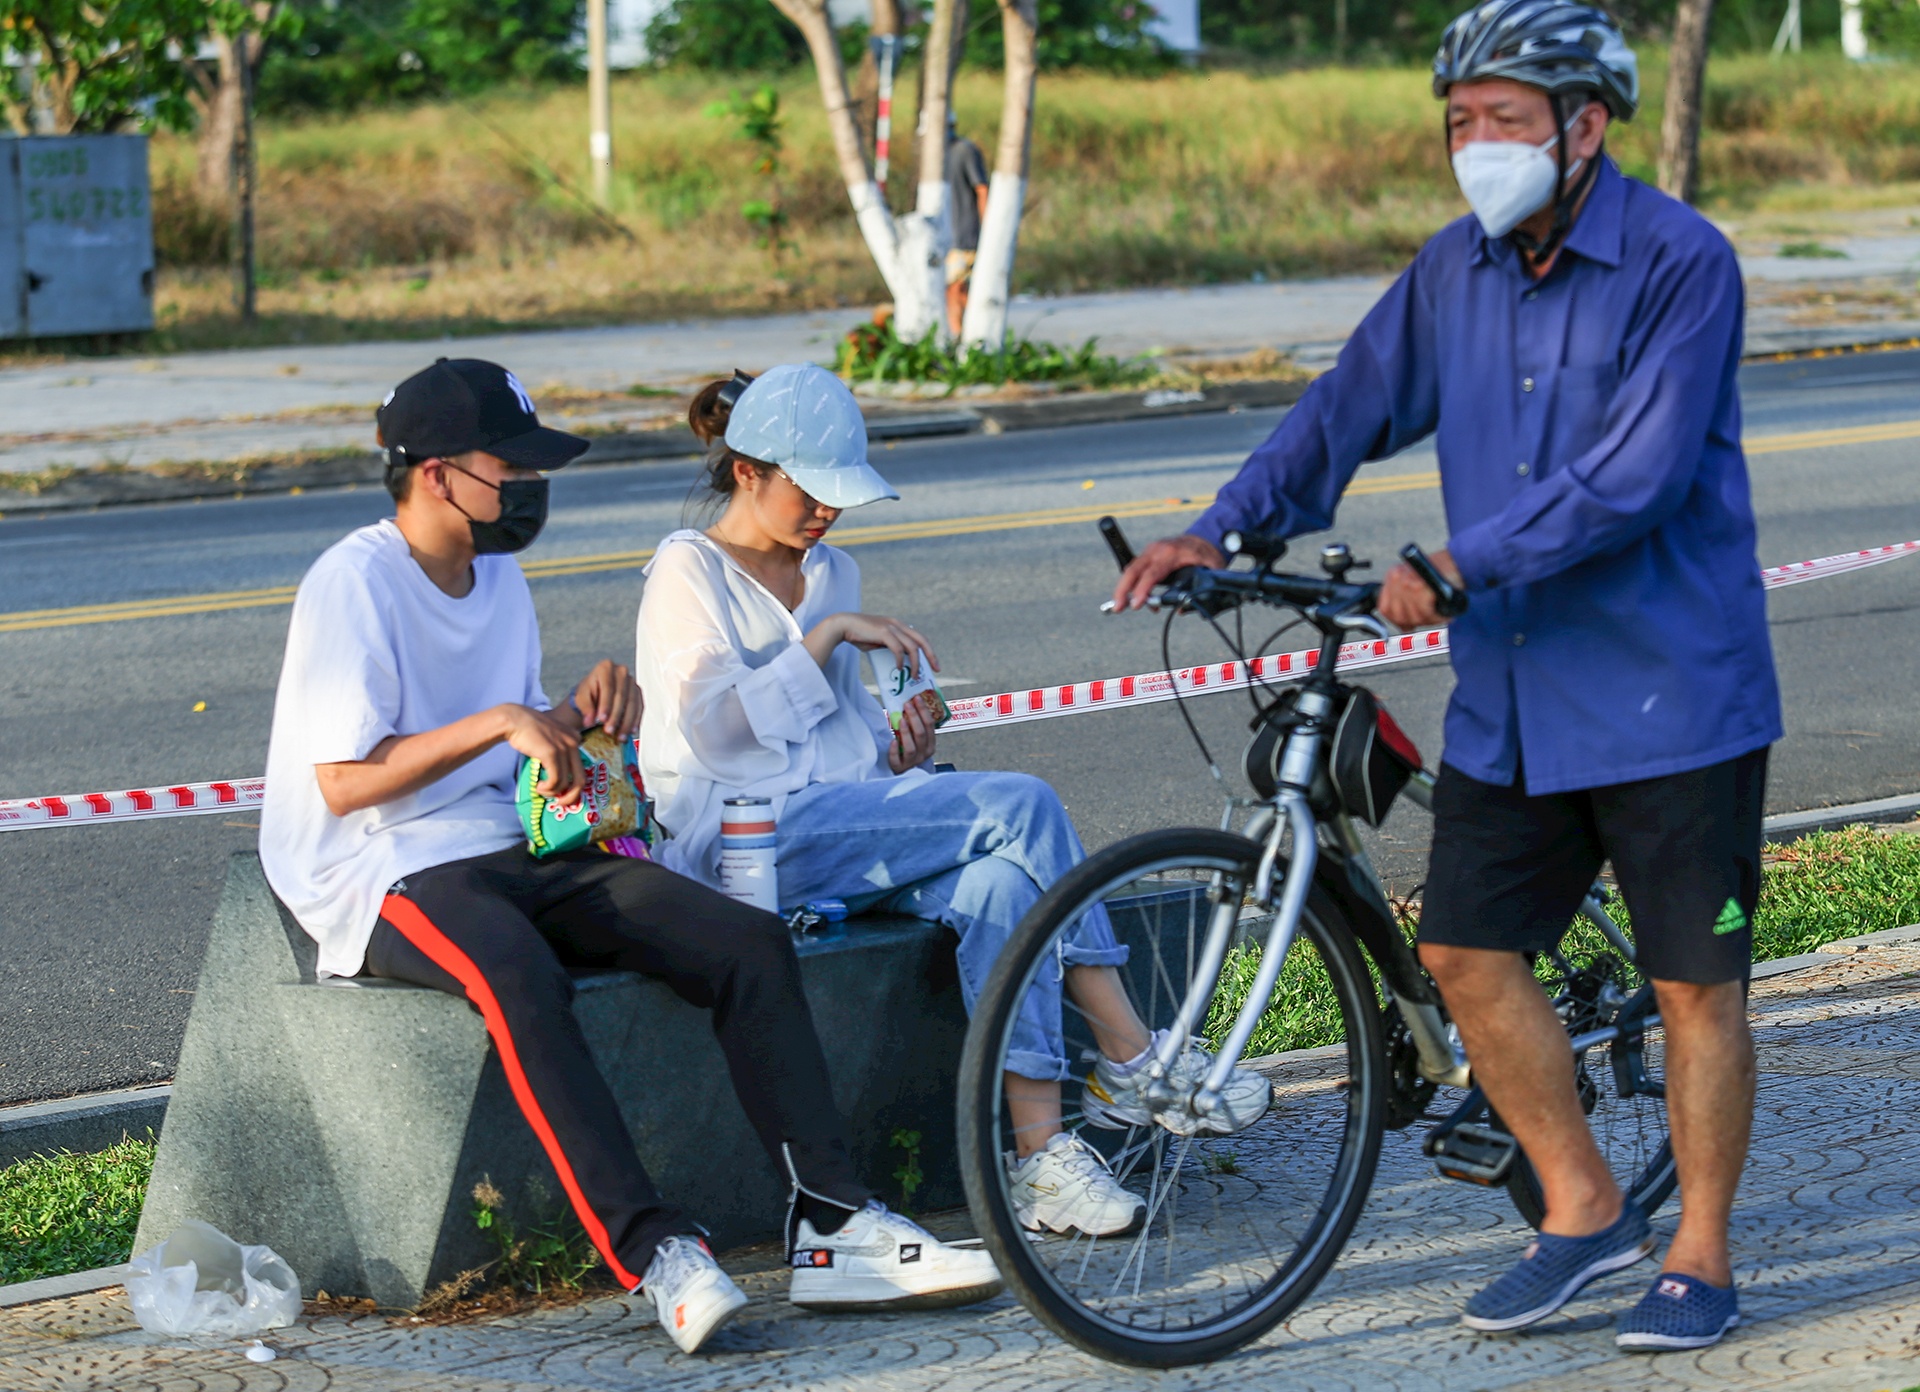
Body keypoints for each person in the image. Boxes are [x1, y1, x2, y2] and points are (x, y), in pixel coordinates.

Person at [1114, 0, 1776, 1354]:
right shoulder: (1450, 273)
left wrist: (1466, 559)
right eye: (1460, 121)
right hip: (1515, 699)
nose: (1477, 144)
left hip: (1670, 696)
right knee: (1465, 953)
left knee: (1694, 989)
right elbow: (1341, 411)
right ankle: (1583, 1210)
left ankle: (1699, 1255)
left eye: (1505, 119)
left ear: (1584, 127)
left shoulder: (1680, 261)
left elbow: (1638, 475)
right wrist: (1223, 530)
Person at [259, 357, 999, 1356]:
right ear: (435, 474)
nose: (532, 488)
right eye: (512, 469)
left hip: (508, 840)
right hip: (380, 871)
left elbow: (513, 749)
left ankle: (832, 1221)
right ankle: (659, 1251)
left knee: (742, 942)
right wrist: (504, 721)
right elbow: (345, 783)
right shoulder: (353, 583)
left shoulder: (497, 575)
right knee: (516, 973)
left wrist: (581, 715)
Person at [633, 363, 1274, 1241]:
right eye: (810, 492)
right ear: (747, 472)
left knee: (1001, 886)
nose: (827, 512)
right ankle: (1131, 1054)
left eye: (839, 495)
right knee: (1023, 804)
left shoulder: (833, 570)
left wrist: (902, 746)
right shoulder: (688, 569)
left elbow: (839, 736)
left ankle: (1042, 1160)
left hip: (844, 827)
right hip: (743, 843)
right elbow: (718, 736)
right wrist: (828, 637)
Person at [945, 115, 990, 337]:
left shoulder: (965, 151)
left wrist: (988, 229)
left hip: (965, 236)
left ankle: (969, 337)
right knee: (953, 290)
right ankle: (962, 336)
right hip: (945, 238)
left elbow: (982, 190)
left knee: (957, 289)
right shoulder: (934, 156)